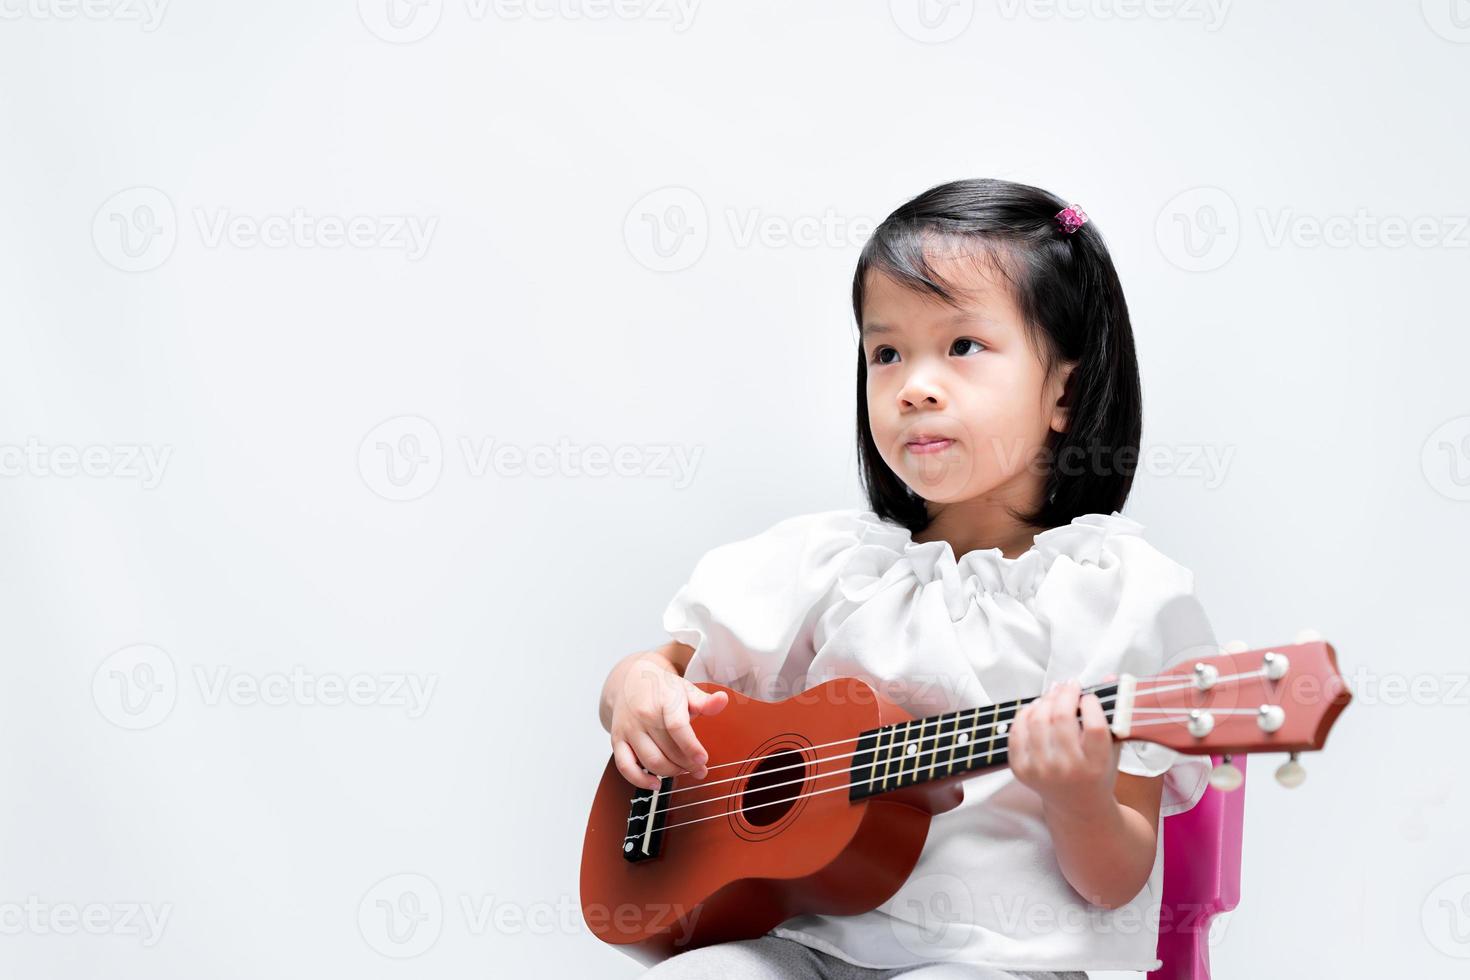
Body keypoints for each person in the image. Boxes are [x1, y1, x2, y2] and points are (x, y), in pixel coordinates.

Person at [596, 178, 1221, 978]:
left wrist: (1077, 796)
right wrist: (637, 687)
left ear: (1064, 389)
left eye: (962, 346)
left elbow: (1115, 883)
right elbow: (654, 679)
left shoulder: (1113, 593)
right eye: (886, 353)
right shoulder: (830, 567)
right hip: (802, 943)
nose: (914, 385)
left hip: (992, 965)